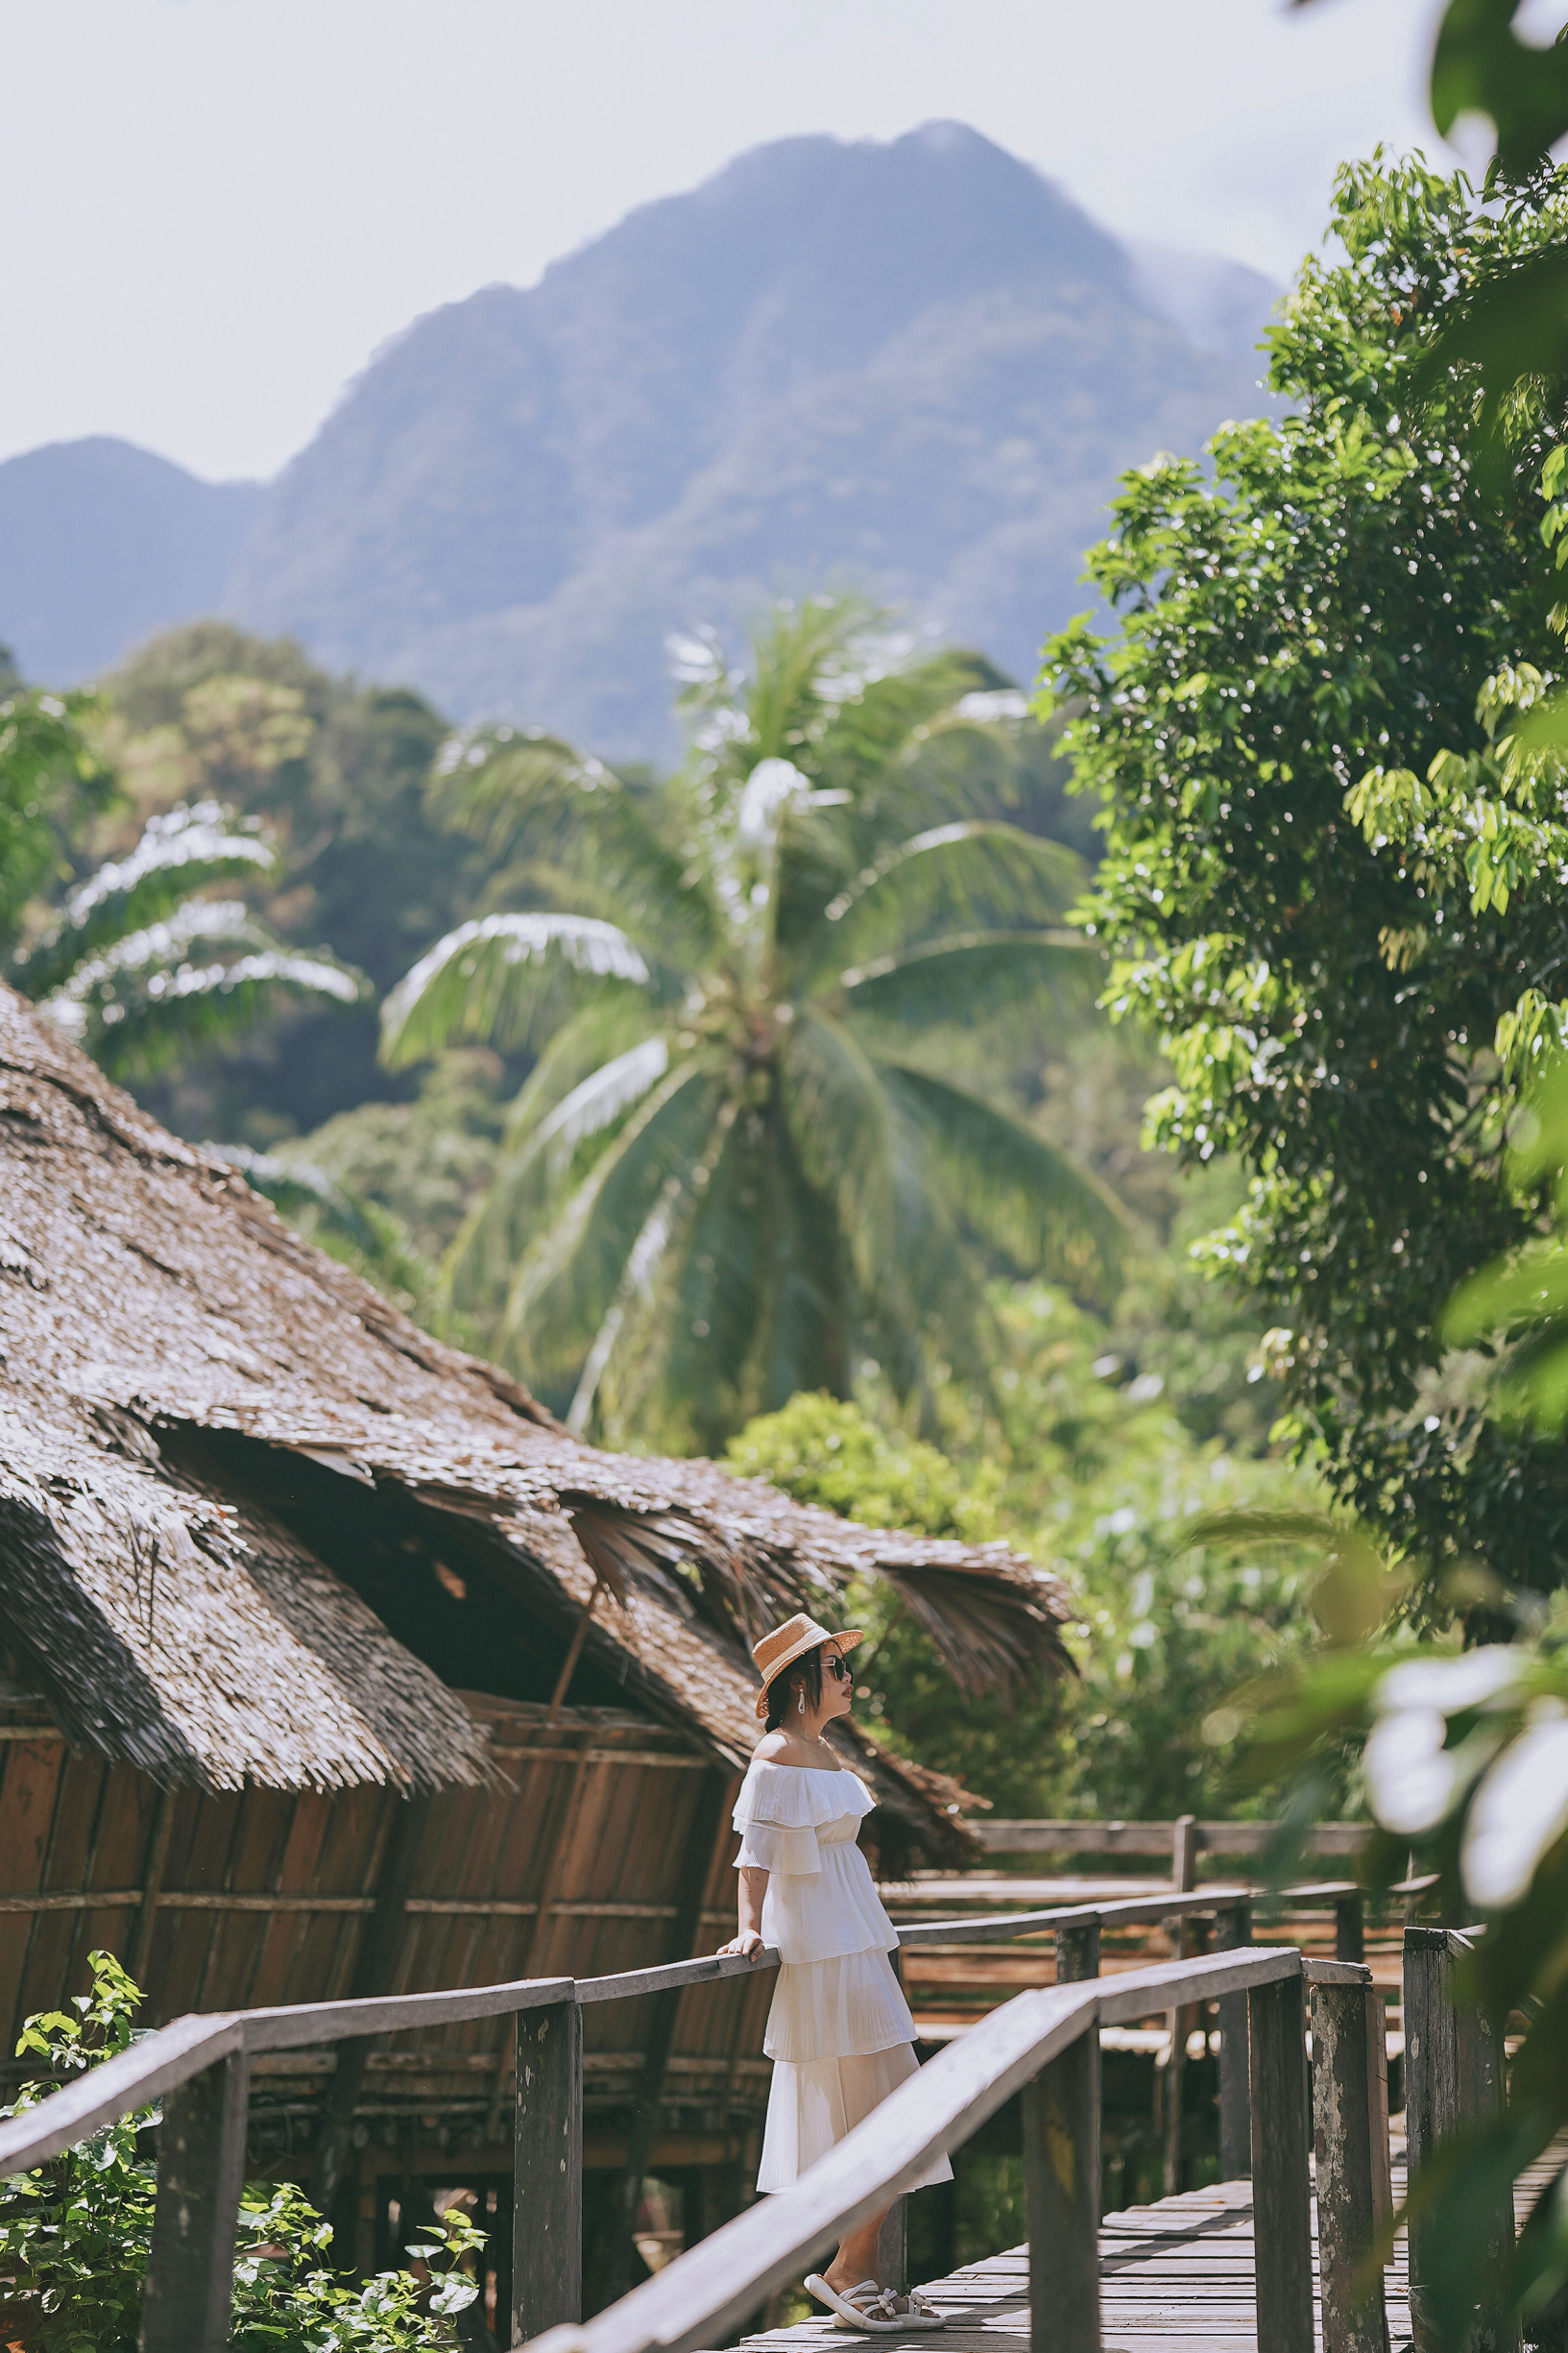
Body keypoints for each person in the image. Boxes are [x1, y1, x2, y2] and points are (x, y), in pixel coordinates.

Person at [717, 1612, 949, 2333]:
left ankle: (862, 2274)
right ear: (799, 1684)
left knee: (887, 2109)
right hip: (822, 1946)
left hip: (856, 1939)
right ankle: (852, 2271)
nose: (850, 1680)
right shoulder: (778, 1753)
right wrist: (749, 1927)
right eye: (835, 1669)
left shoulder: (822, 1753)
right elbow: (753, 1852)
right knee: (887, 2109)